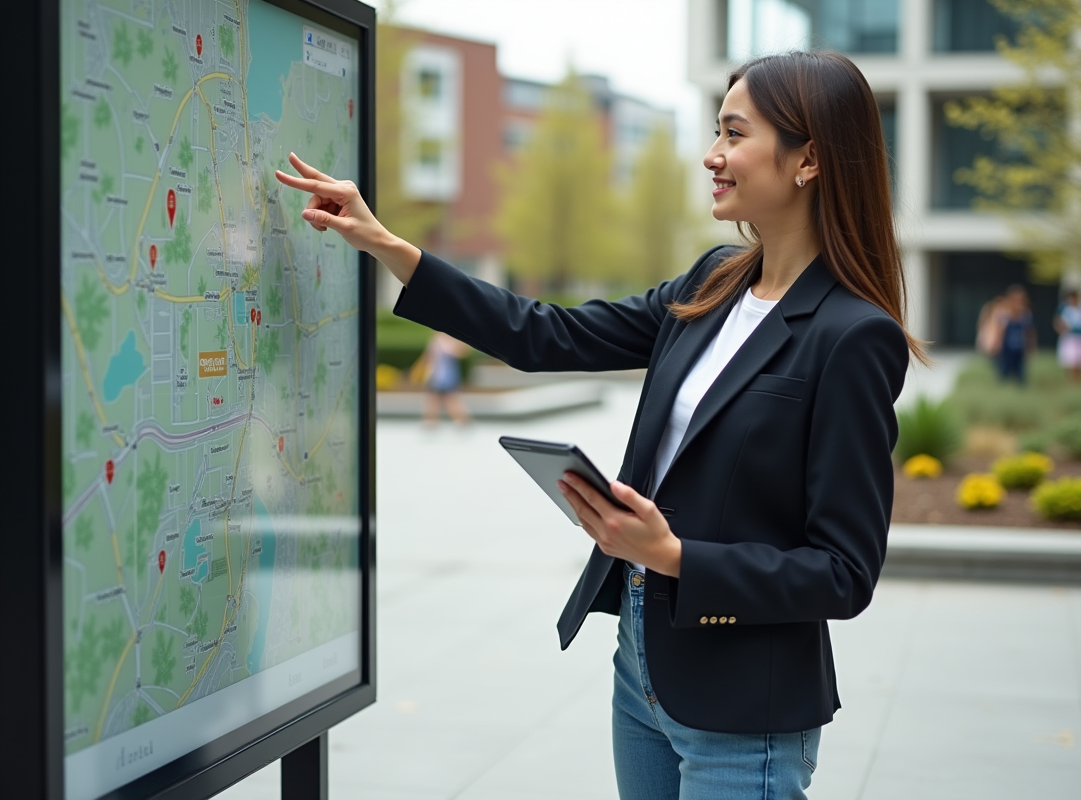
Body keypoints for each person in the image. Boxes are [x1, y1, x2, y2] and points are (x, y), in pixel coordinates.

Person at [276, 50, 922, 800]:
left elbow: (843, 572)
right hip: (642, 663)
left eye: (735, 134)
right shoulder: (712, 282)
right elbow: (542, 334)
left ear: (808, 160)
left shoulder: (852, 335)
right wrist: (387, 245)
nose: (712, 155)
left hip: (744, 705)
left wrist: (676, 554)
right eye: (716, 131)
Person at [416, 331, 470, 427]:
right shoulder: (442, 341)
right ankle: (433, 422)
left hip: (443, 375)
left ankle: (432, 422)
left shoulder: (438, 340)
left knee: (444, 398)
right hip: (441, 375)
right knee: (442, 398)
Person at [995, 285, 1036, 384]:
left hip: (1020, 348)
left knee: (1020, 374)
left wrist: (1031, 347)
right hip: (1007, 348)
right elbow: (1000, 332)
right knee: (1005, 372)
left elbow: (1030, 332)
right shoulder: (1004, 314)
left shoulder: (1026, 314)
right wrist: (997, 345)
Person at [1054, 289, 1081, 383]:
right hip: (1069, 336)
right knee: (1070, 360)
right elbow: (1057, 322)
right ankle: (1071, 380)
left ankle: (1078, 381)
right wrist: (1061, 329)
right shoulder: (1064, 309)